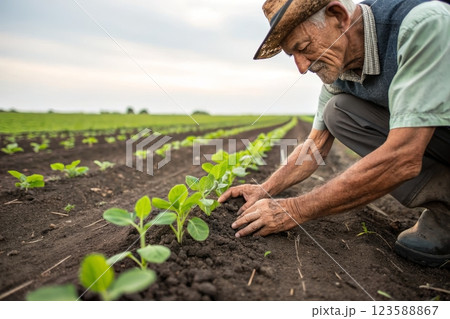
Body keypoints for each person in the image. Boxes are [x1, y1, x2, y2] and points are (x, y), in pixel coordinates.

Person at [218, 0, 450, 267]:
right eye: (292, 56)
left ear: (338, 16)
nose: (302, 67)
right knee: (337, 111)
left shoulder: (423, 25)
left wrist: (294, 210)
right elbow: (314, 148)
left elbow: (403, 157)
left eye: (303, 48)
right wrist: (266, 189)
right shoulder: (340, 69)